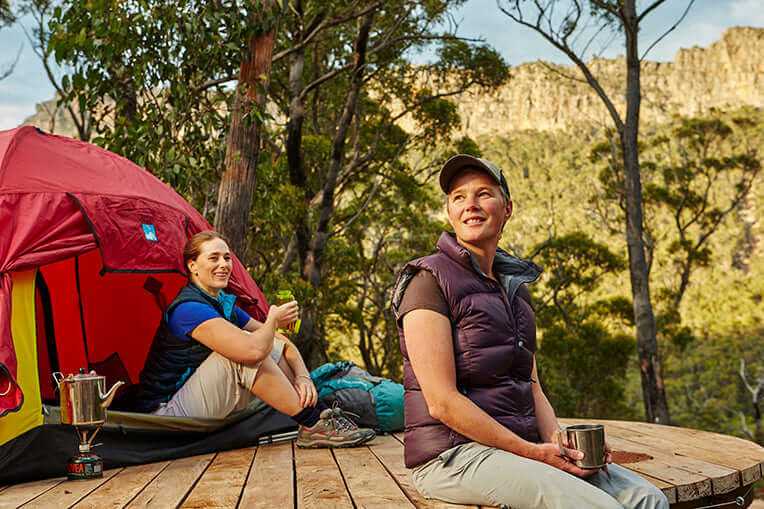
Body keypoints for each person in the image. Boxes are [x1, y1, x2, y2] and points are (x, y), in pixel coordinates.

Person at [391, 155, 668, 508]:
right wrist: (532, 452)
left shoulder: (514, 290)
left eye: (483, 195)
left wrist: (558, 441)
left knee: (648, 499)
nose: (470, 206)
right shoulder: (427, 280)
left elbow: (531, 384)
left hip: (517, 451)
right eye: (458, 197)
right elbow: (441, 402)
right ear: (449, 212)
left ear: (507, 209)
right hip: (452, 457)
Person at [134, 230, 375, 448]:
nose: (223, 264)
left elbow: (281, 342)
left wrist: (303, 376)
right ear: (193, 266)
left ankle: (318, 419)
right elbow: (251, 352)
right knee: (243, 355)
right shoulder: (188, 309)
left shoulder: (223, 304)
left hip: (199, 403)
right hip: (166, 416)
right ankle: (313, 423)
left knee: (265, 344)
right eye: (213, 258)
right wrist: (271, 321)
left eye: (227, 258)